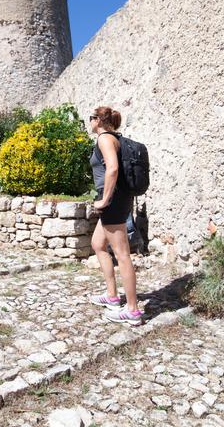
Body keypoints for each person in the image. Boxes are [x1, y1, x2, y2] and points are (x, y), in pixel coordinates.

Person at [86, 106, 143, 326]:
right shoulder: (112, 138)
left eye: (91, 118)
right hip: (115, 199)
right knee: (98, 244)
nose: (89, 122)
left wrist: (104, 200)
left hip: (112, 200)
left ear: (99, 120)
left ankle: (133, 310)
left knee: (122, 254)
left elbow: (112, 169)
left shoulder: (105, 139)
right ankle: (112, 296)